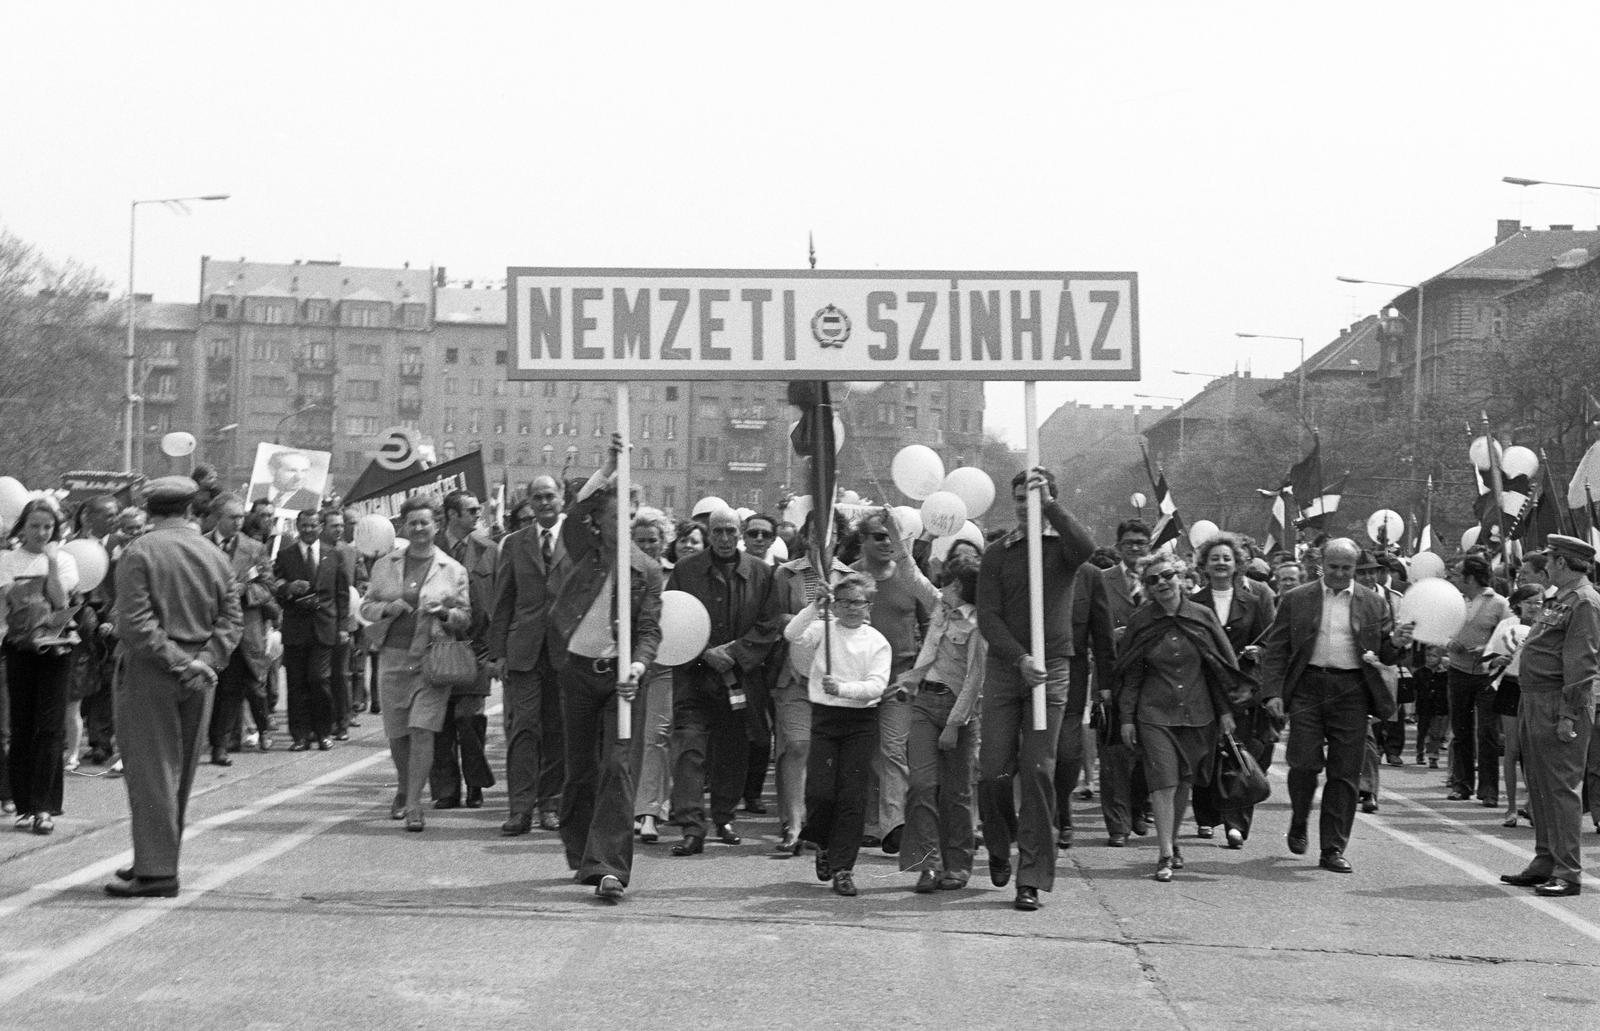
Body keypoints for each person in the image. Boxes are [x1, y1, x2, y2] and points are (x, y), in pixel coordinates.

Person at [106, 477, 242, 898]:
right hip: (202, 673)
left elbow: (135, 625)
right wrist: (203, 661)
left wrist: (178, 661)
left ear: (150, 510)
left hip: (153, 671)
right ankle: (156, 858)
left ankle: (157, 871)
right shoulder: (216, 554)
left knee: (151, 773)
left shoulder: (139, 551)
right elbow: (232, 618)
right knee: (179, 773)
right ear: (190, 510)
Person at [976, 467, 1095, 911]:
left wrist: (1050, 506)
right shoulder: (997, 553)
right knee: (992, 769)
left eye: (1034, 498)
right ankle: (998, 840)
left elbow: (1087, 547)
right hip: (1009, 668)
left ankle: (1031, 876)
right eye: (1020, 498)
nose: (1025, 506)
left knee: (1038, 770)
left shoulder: (1061, 550)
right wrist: (1018, 658)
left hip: (1053, 669)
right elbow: (988, 616)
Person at [1259, 538, 1412, 874]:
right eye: (1333, 567)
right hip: (1307, 688)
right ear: (1321, 566)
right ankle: (1299, 819)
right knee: (1302, 763)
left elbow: (1383, 653)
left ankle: (1333, 848)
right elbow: (1277, 648)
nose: (1340, 574)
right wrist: (1273, 692)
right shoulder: (1297, 598)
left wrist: (1396, 644)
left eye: (1347, 568)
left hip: (1352, 692)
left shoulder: (1373, 603)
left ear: (1355, 568)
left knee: (1344, 772)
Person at [547, 474, 663, 901]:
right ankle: (581, 851)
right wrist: (610, 466)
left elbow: (650, 628)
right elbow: (575, 511)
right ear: (598, 520)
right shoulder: (584, 550)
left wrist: (637, 665)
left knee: (618, 767)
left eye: (629, 517)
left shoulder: (647, 569)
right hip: (577, 671)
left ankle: (608, 867)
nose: (624, 525)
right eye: (615, 516)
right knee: (580, 768)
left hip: (624, 681)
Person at [1112, 554, 1244, 881]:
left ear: (1181, 577)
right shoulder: (1142, 621)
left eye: (1167, 575)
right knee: (1163, 781)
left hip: (1199, 714)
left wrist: (1226, 711)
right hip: (1154, 714)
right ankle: (1165, 853)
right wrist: (1127, 718)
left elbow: (1218, 668)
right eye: (1153, 580)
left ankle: (1172, 841)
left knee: (1184, 779)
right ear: (1148, 587)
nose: (1162, 583)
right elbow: (1131, 674)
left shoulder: (1203, 616)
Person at [665, 506, 781, 855]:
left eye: (732, 531)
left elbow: (769, 623)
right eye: (718, 532)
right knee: (689, 748)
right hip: (694, 675)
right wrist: (703, 652)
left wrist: (736, 653)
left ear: (741, 533)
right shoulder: (687, 570)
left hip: (739, 678)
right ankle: (690, 824)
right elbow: (672, 616)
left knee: (733, 749)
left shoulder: (761, 573)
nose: (726, 539)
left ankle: (724, 816)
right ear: (709, 533)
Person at [359, 495, 470, 832]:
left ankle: (413, 804)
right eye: (413, 523)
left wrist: (446, 614)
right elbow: (365, 608)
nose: (420, 528)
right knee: (398, 734)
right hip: (392, 657)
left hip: (432, 659)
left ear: (436, 525)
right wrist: (386, 609)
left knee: (423, 730)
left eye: (425, 522)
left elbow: (465, 617)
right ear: (403, 526)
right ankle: (405, 786)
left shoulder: (452, 569)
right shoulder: (384, 565)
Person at [1500, 535, 1600, 898]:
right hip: (1534, 698)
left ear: (1563, 562)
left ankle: (1568, 871)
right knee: (1540, 786)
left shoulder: (1585, 601)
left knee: (1560, 789)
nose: (1546, 566)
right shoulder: (1560, 597)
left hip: (1559, 702)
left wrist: (1569, 715)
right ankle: (1545, 860)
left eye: (1551, 559)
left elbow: (1582, 663)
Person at [785, 571, 892, 896]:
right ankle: (821, 842)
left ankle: (844, 866)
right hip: (826, 718)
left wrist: (843, 688)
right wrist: (813, 608)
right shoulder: (823, 630)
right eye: (843, 602)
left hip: (859, 721)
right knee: (820, 791)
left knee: (851, 796)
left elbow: (877, 685)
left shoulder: (876, 641)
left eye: (857, 603)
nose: (850, 609)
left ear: (868, 605)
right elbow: (792, 634)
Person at [894, 560, 985, 892]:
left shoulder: (978, 625)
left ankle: (958, 865)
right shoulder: (938, 607)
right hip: (924, 703)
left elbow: (975, 679)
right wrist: (895, 531)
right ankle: (928, 865)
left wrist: (954, 724)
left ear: (958, 586)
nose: (940, 585)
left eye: (945, 580)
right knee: (921, 784)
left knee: (957, 792)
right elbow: (910, 574)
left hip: (958, 711)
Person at [852, 507, 939, 855]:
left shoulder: (908, 577)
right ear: (862, 540)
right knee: (865, 753)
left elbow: (931, 626)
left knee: (892, 751)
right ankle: (869, 823)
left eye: (892, 536)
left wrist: (916, 673)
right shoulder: (850, 577)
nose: (887, 542)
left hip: (898, 681)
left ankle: (894, 825)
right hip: (856, 680)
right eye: (878, 535)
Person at [487, 474, 568, 836]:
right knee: (523, 729)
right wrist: (499, 653)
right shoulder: (515, 543)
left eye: (550, 496)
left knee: (558, 730)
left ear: (561, 498)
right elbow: (502, 600)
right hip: (524, 652)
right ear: (530, 503)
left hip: (566, 651)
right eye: (537, 498)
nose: (544, 503)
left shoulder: (576, 540)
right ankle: (520, 809)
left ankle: (550, 804)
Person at [1189, 534, 1277, 848]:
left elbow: (1272, 642)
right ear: (1205, 565)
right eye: (1215, 558)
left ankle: (1236, 824)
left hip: (1242, 689)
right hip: (1205, 687)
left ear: (1237, 563)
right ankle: (1206, 816)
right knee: (1207, 753)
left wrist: (1259, 651)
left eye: (1227, 558)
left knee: (1241, 755)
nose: (1221, 563)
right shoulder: (1194, 602)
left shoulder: (1254, 601)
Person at [0, 499, 81, 835]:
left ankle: (44, 806)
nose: (40, 532)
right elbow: (9, 601)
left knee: (49, 727)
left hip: (56, 650)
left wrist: (49, 563)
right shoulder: (7, 559)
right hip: (20, 648)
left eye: (47, 527)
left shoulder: (63, 560)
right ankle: (23, 803)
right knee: (21, 726)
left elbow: (61, 602)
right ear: (23, 527)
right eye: (34, 525)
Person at [430, 490, 498, 810]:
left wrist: (495, 650)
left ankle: (475, 784)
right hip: (437, 647)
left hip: (476, 649)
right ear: (451, 514)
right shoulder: (429, 550)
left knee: (470, 720)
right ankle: (446, 789)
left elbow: (497, 601)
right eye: (471, 510)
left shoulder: (488, 551)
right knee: (441, 720)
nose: (477, 514)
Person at [1090, 519, 1154, 847]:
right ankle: (1118, 824)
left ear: (1150, 545)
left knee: (1148, 750)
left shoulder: (1161, 579)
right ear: (1118, 546)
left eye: (1141, 542)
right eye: (1128, 542)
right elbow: (1087, 627)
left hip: (1153, 678)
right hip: (1111, 676)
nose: (1135, 548)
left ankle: (1140, 806)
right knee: (1113, 753)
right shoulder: (1101, 580)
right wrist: (1108, 637)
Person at [205, 493, 279, 763]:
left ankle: (220, 745)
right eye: (232, 517)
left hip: (242, 629)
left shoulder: (254, 548)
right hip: (207, 629)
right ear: (216, 517)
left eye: (241, 517)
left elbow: (269, 587)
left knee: (232, 689)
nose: (238, 522)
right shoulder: (200, 545)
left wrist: (244, 589)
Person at [273, 509, 354, 751]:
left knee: (319, 680)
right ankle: (300, 735)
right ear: (297, 527)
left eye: (312, 525)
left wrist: (342, 627)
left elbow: (342, 594)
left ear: (320, 527)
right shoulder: (285, 555)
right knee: (297, 683)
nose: (308, 530)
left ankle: (323, 732)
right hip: (296, 627)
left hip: (324, 627)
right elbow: (275, 588)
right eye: (304, 526)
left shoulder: (333, 555)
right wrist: (290, 587)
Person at [1444, 554, 1511, 806]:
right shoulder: (1452, 601)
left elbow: (1507, 638)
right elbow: (1441, 630)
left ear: (1470, 578)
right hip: (1458, 671)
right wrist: (1449, 643)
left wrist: (1485, 648)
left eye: (1458, 573)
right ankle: (1461, 784)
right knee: (1460, 730)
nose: (1454, 577)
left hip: (1487, 677)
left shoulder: (1499, 603)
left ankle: (1489, 789)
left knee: (1487, 732)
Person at [630, 512, 675, 842]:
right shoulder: (624, 573)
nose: (647, 546)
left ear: (664, 541)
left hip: (667, 667)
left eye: (652, 540)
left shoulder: (677, 574)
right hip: (631, 664)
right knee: (630, 739)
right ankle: (638, 804)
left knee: (655, 736)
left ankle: (648, 812)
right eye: (640, 540)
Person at [1485, 584, 1541, 827]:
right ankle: (1510, 808)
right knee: (1513, 750)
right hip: (1511, 687)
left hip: (1537, 690)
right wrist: (1498, 659)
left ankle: (1532, 805)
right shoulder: (1507, 626)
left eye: (1538, 602)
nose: (1534, 607)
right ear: (1519, 603)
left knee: (1535, 751)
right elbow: (1488, 658)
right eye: (1529, 602)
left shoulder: (1546, 626)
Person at [739, 511, 783, 815]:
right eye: (753, 533)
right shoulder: (736, 568)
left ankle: (755, 792)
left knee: (768, 730)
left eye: (764, 535)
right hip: (745, 658)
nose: (758, 539)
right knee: (746, 730)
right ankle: (740, 790)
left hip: (776, 659)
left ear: (773, 539)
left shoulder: (783, 572)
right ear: (744, 536)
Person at [249, 449, 322, 512]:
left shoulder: (314, 500)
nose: (299, 477)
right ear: (272, 470)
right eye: (292, 470)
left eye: (304, 471)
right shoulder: (253, 490)